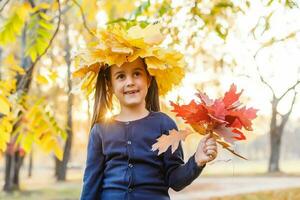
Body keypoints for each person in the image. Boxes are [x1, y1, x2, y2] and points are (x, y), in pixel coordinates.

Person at [75, 23, 218, 200]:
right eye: (121, 76)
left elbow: (175, 180)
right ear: (110, 86)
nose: (130, 82)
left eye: (137, 74)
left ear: (149, 79)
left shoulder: (164, 124)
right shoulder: (100, 131)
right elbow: (91, 185)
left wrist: (197, 160)